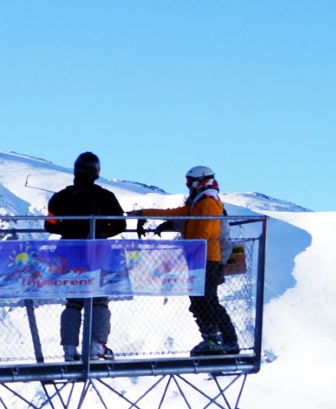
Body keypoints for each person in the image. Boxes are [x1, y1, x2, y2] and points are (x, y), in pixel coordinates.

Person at [129, 165, 239, 356]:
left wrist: (191, 248)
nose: (188, 186)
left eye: (190, 182)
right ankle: (217, 340)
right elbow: (178, 212)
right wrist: (143, 213)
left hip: (206, 259)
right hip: (200, 258)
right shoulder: (197, 202)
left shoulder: (208, 203)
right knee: (202, 301)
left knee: (206, 300)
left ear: (200, 181)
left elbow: (204, 232)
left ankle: (222, 341)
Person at [44, 151, 125, 361]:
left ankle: (70, 350)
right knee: (99, 301)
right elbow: (120, 224)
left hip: (68, 254)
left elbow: (49, 225)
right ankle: (96, 346)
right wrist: (102, 230)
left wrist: (67, 228)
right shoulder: (105, 196)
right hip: (98, 254)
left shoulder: (61, 196)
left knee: (73, 302)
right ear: (97, 172)